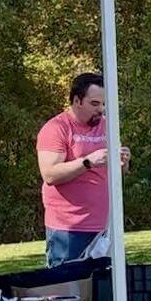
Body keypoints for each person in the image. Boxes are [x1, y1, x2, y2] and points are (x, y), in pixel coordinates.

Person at [36, 72, 129, 266]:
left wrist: (123, 161)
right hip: (68, 229)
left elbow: (119, 173)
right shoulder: (56, 128)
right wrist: (87, 161)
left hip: (105, 225)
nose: (101, 110)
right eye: (94, 104)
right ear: (77, 101)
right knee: (65, 288)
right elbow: (50, 174)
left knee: (105, 288)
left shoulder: (107, 126)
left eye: (104, 104)